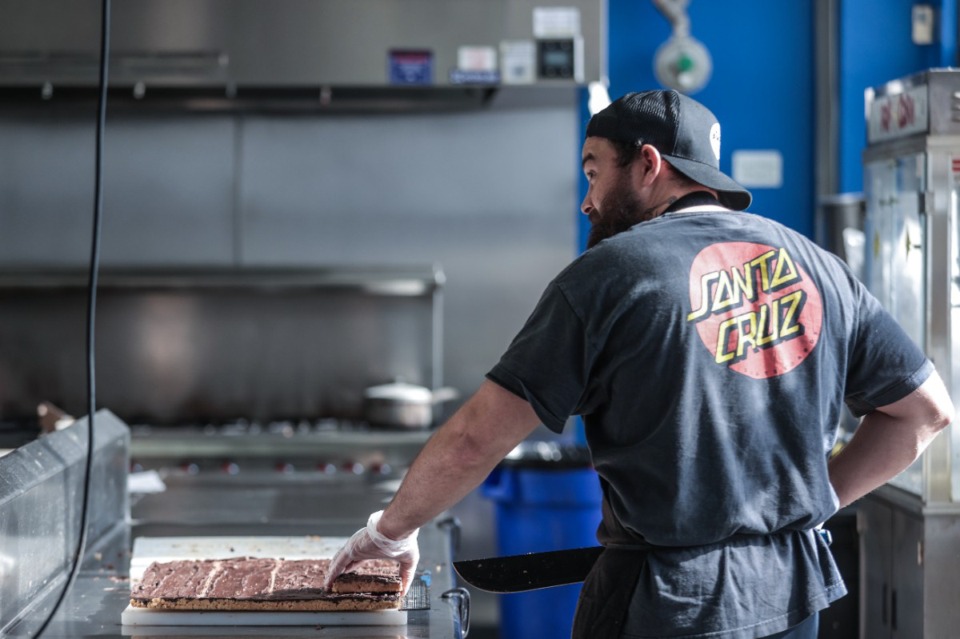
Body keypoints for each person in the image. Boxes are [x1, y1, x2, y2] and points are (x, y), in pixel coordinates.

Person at [323, 90, 954, 638]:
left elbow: (473, 439)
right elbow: (924, 414)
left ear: (649, 164)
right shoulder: (818, 266)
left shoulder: (609, 274)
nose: (586, 200)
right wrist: (811, 505)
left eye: (594, 172)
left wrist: (388, 532)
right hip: (792, 595)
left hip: (665, 605)